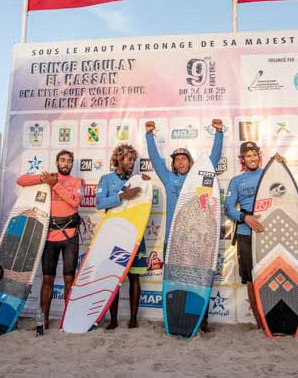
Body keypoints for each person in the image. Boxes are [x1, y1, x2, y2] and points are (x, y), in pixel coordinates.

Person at [145, 118, 223, 332]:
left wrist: (219, 133)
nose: (180, 162)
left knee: (199, 281)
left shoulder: (200, 179)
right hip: (173, 241)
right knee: (174, 282)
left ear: (190, 162)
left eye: (184, 159)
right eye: (177, 159)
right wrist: (149, 135)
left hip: (196, 240)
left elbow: (212, 161)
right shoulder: (169, 179)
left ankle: (201, 321)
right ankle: (174, 318)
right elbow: (155, 160)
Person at [16, 150, 85, 329]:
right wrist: (44, 179)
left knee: (69, 280)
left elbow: (75, 202)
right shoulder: (49, 177)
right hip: (49, 237)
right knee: (48, 280)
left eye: (69, 161)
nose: (66, 163)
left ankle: (69, 319)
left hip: (70, 237)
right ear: (56, 162)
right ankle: (44, 319)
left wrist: (55, 185)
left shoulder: (78, 182)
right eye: (62, 160)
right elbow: (21, 180)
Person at [95, 143, 152, 329]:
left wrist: (144, 182)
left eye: (134, 160)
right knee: (113, 278)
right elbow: (99, 203)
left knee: (135, 278)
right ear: (119, 159)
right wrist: (122, 196)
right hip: (113, 236)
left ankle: (133, 319)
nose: (132, 163)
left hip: (135, 235)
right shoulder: (106, 179)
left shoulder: (138, 179)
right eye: (129, 159)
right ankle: (112, 320)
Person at [223, 141, 267, 330]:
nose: (252, 158)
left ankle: (271, 317)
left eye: (254, 154)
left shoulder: (269, 174)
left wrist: (280, 165)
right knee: (251, 279)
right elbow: (227, 208)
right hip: (245, 234)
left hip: (268, 232)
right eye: (248, 155)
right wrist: (244, 218)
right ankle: (259, 323)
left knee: (269, 274)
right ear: (243, 159)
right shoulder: (236, 181)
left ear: (259, 155)